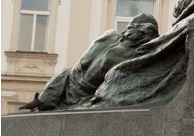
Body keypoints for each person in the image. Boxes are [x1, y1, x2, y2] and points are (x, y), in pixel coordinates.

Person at [19, 14, 159, 111]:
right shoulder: (124, 48)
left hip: (71, 87)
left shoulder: (115, 39)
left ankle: (41, 104)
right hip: (71, 88)